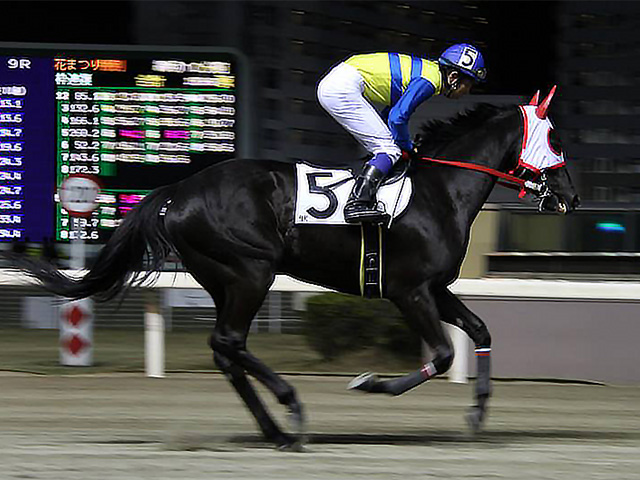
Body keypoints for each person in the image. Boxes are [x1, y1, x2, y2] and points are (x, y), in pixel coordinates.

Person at [317, 43, 487, 223]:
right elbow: (397, 118)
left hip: (340, 81)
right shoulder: (430, 81)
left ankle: (365, 191)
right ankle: (357, 203)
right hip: (341, 87)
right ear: (453, 77)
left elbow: (389, 115)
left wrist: (404, 144)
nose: (468, 91)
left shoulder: (428, 72)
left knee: (387, 147)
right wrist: (408, 147)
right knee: (389, 150)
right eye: (468, 84)